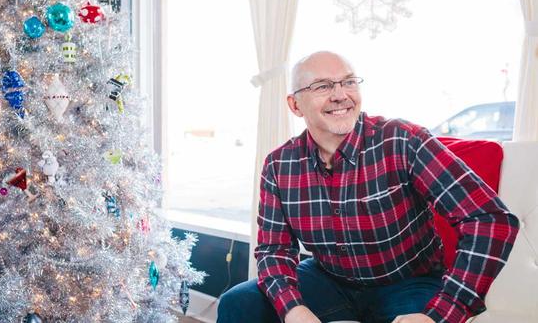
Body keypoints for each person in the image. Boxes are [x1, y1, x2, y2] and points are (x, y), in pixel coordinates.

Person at [217, 51, 519, 323]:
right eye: (322, 86)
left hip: (408, 282)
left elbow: (490, 219)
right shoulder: (278, 165)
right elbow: (274, 249)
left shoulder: (402, 139)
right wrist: (294, 310)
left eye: (348, 82)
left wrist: (441, 314)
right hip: (328, 279)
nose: (340, 95)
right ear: (295, 105)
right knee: (238, 304)